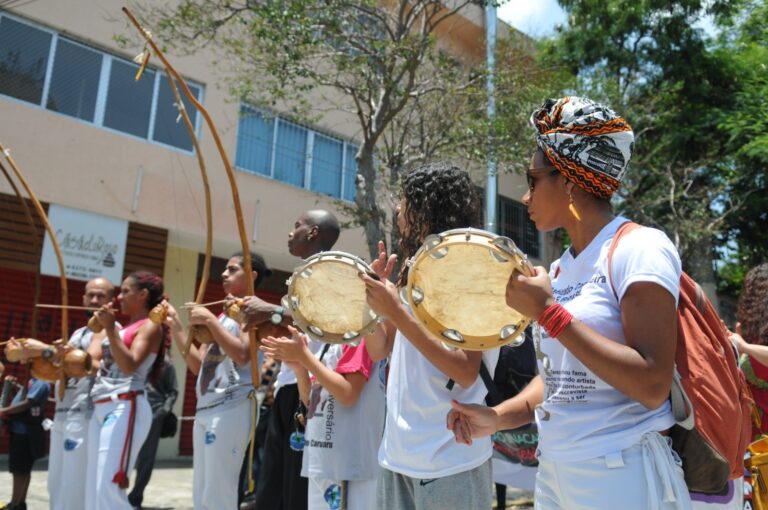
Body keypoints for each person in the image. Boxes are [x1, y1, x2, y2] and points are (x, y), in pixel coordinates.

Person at [446, 96, 691, 509]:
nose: (525, 197)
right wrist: (497, 418)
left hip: (622, 470)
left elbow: (652, 385)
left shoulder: (640, 248)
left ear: (569, 181)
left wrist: (548, 313)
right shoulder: (559, 270)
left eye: (532, 179)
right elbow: (561, 378)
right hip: (556, 471)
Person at [358, 161, 498, 510]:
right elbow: (380, 349)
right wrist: (374, 304)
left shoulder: (468, 268)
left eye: (404, 201)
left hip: (452, 456)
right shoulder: (413, 266)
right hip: (397, 455)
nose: (397, 210)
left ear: (426, 207)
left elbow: (465, 369)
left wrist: (397, 310)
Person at [251, 209, 341, 510]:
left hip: (309, 389)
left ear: (313, 233)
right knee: (272, 482)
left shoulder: (329, 270)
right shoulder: (301, 274)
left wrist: (267, 310)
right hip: (288, 385)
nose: (291, 233)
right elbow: (289, 325)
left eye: (297, 226)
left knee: (294, 485)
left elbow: (320, 317)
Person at [165, 252, 270, 510]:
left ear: (251, 276)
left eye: (232, 269)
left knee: (218, 491)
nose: (224, 274)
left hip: (232, 405)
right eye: (225, 269)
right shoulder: (224, 316)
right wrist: (175, 324)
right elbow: (198, 365)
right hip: (207, 407)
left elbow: (244, 355)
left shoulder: (252, 311)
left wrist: (209, 319)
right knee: (202, 490)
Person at [261, 325, 386, 510]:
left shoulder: (359, 332)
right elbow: (311, 402)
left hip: (348, 467)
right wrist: (299, 368)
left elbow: (348, 394)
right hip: (321, 462)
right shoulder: (329, 340)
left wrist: (304, 356)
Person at [87, 271, 166, 510]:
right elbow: (94, 362)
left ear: (142, 295)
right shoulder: (125, 326)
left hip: (125, 404)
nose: (118, 297)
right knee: (94, 484)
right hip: (101, 404)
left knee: (109, 486)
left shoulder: (150, 326)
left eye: (125, 291)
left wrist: (110, 329)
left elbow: (130, 364)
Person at [47, 277, 114, 510]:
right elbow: (59, 372)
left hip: (85, 415)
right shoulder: (78, 333)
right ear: (83, 298)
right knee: (55, 483)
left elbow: (91, 364)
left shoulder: (111, 330)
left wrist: (70, 354)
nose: (94, 300)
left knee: (74, 485)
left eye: (101, 296)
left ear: (110, 301)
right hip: (62, 412)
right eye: (90, 295)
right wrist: (48, 356)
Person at [128, 354, 178, 509]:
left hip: (154, 413)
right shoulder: (136, 357)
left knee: (146, 459)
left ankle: (135, 498)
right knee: (124, 454)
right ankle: (116, 495)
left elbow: (173, 391)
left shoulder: (167, 364)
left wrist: (163, 411)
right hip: (130, 410)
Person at [0, 375, 50, 510]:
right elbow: (20, 400)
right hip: (19, 431)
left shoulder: (40, 382)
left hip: (26, 432)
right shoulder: (30, 381)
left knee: (20, 470)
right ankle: (19, 502)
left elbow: (27, 403)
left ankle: (16, 503)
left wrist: (3, 411)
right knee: (21, 469)